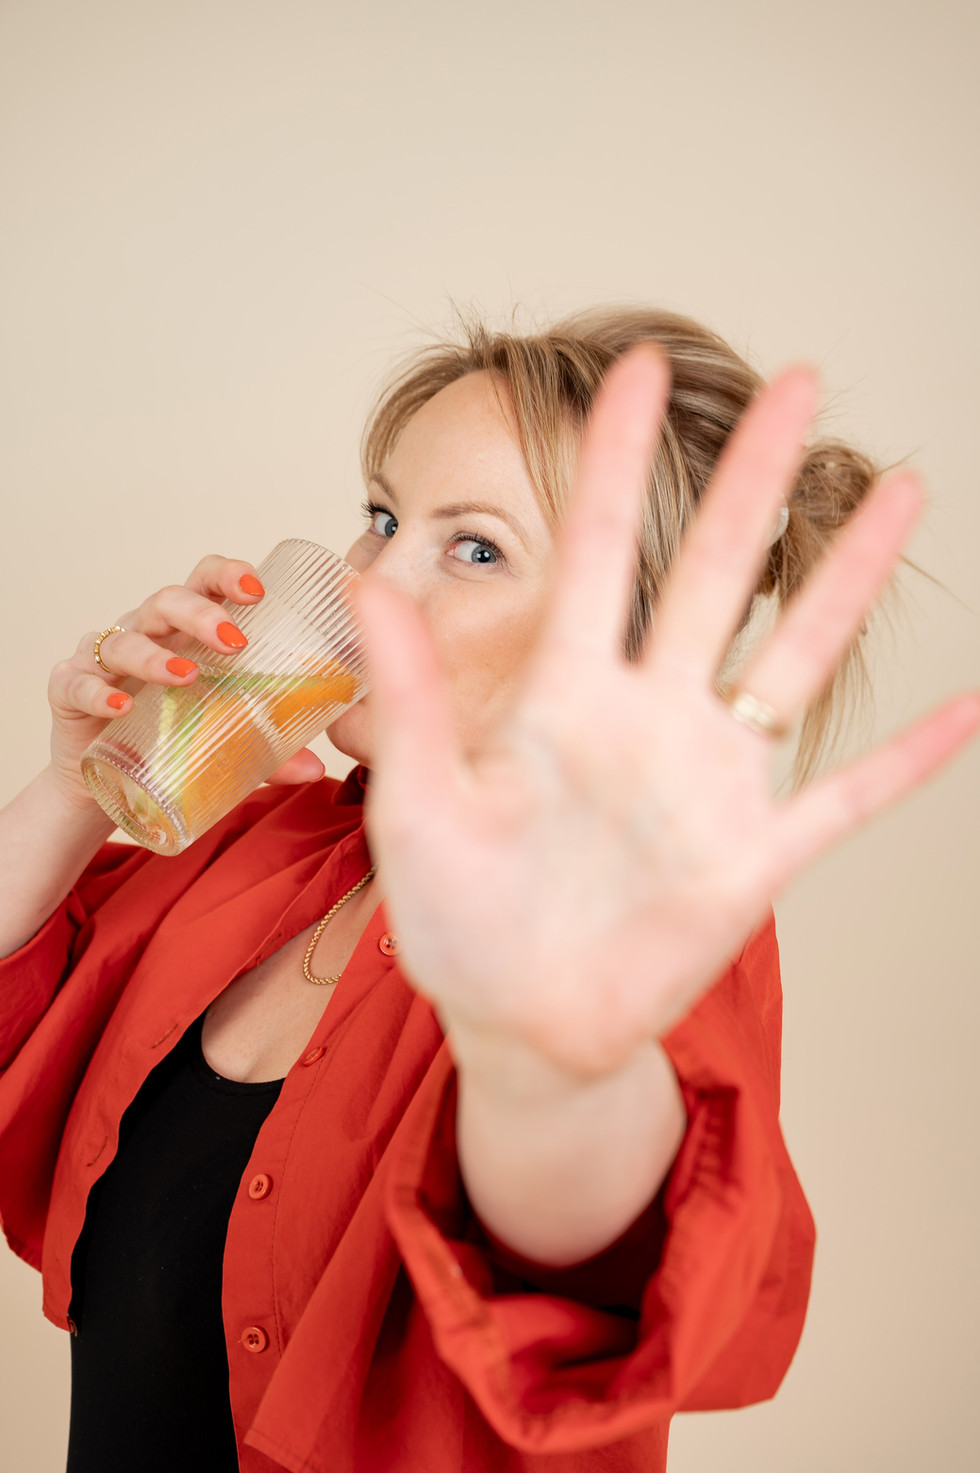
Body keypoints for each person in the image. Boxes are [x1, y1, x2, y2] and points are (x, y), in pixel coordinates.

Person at [1, 307, 976, 1473]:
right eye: (381, 518)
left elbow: (598, 1268)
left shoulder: (624, 927)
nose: (367, 582)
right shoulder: (257, 842)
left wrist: (544, 1074)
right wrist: (73, 790)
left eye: (474, 549)